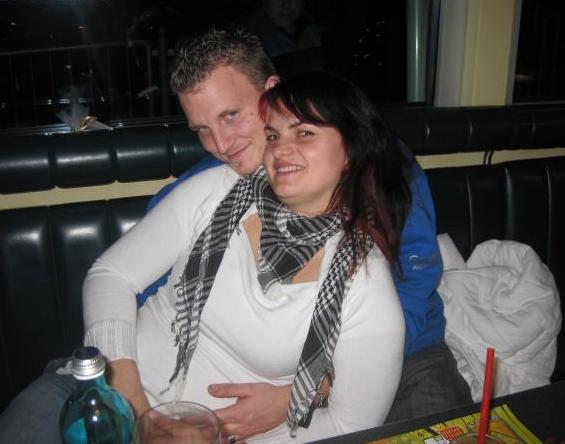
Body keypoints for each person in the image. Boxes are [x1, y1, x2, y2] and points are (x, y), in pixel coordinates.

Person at [0, 29, 471, 444]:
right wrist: (123, 379)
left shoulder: (385, 176)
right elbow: (125, 278)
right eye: (201, 130)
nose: (221, 145)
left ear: (271, 93)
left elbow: (409, 288)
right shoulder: (214, 184)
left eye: (230, 116)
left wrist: (307, 390)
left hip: (412, 345)